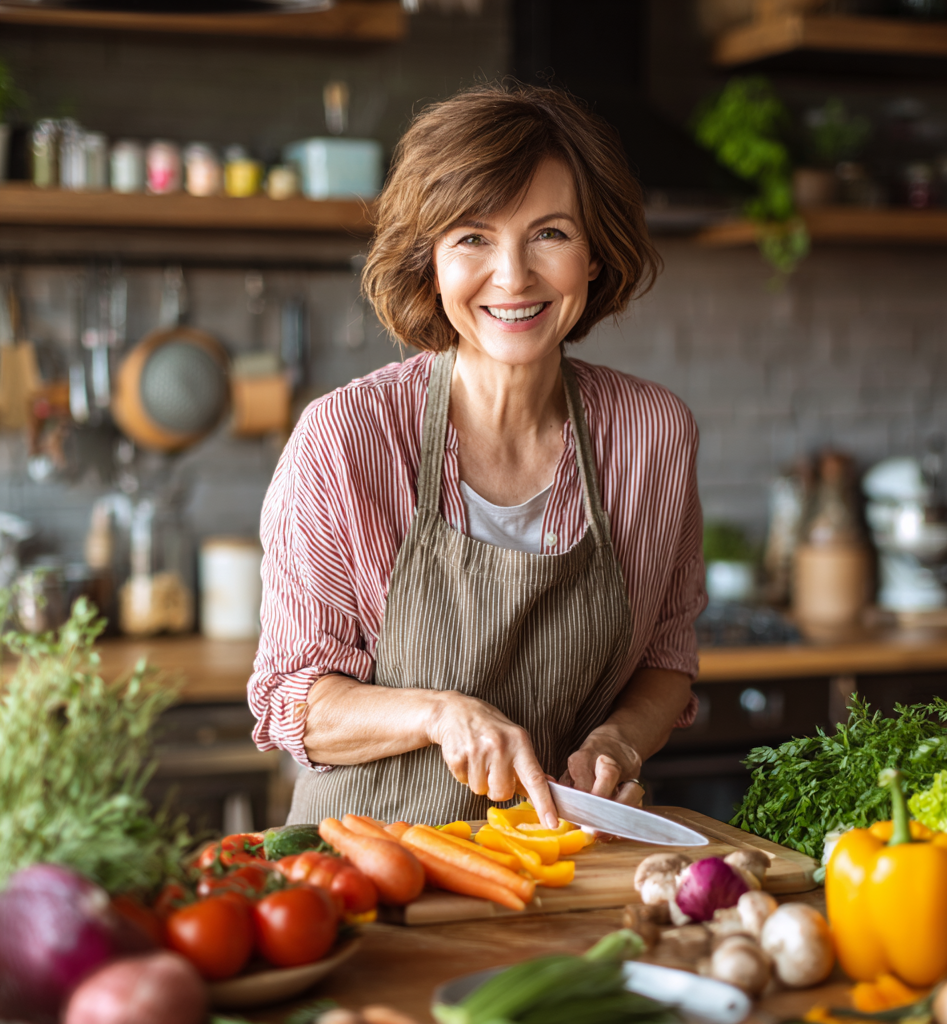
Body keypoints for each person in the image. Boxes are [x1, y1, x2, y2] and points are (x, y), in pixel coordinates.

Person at [248, 82, 706, 829]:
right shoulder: (347, 439)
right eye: (472, 237)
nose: (514, 275)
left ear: (594, 256)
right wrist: (439, 715)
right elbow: (293, 700)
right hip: (367, 878)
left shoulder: (652, 436)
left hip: (553, 872)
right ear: (431, 260)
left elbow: (666, 656)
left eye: (550, 233)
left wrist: (618, 745)